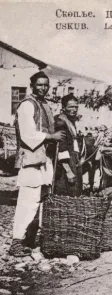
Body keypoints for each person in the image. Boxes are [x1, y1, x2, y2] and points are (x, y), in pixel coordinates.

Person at [9, 71, 65, 257]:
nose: (43, 88)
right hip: (31, 160)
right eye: (39, 85)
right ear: (32, 85)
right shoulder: (27, 105)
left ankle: (30, 240)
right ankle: (16, 241)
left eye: (45, 85)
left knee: (39, 201)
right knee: (27, 202)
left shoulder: (45, 105)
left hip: (43, 159)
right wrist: (51, 136)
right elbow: (27, 134)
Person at [54, 94, 83, 197]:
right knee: (68, 190)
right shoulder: (60, 122)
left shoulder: (70, 121)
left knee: (75, 190)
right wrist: (68, 171)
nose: (74, 109)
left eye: (76, 107)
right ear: (64, 108)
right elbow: (61, 149)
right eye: (71, 107)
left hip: (73, 158)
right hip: (65, 162)